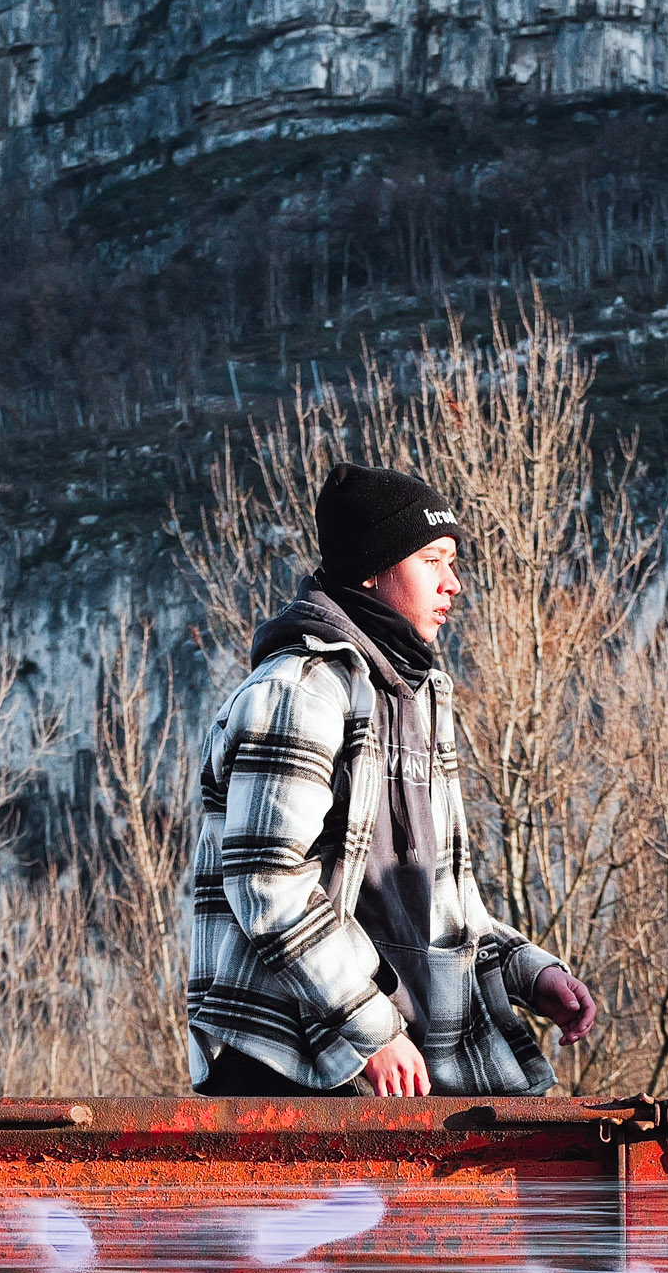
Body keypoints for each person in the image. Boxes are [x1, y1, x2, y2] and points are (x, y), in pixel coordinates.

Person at [183, 461, 598, 1098]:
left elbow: (441, 906)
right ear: (373, 569)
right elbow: (267, 883)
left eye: (453, 562)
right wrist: (367, 1026)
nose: (454, 584)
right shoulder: (300, 690)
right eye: (433, 561)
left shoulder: (418, 697)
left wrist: (529, 972)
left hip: (398, 1063)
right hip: (290, 1066)